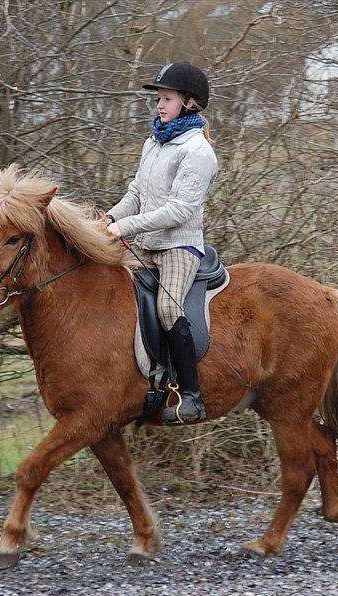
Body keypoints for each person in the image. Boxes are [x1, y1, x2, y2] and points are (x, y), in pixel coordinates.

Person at [104, 61, 218, 424]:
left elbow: (179, 210)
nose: (159, 104)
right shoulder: (154, 141)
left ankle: (192, 395)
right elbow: (136, 193)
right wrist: (109, 217)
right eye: (159, 98)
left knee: (169, 310)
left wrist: (126, 227)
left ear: (189, 102)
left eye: (167, 98)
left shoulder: (198, 151)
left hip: (179, 247)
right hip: (147, 243)